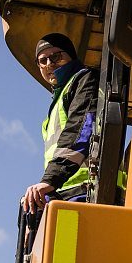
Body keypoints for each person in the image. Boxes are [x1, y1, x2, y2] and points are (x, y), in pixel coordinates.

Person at [21, 33, 98, 214]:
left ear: (70, 56)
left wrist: (50, 179)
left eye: (55, 57)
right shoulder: (56, 106)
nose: (49, 64)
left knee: (70, 242)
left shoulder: (85, 81)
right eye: (42, 61)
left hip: (87, 191)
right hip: (65, 193)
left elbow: (80, 131)